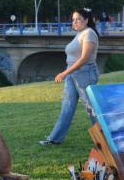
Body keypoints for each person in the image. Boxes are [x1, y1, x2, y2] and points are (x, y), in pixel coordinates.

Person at [39, 9, 100, 146]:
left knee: (91, 108)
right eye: (73, 19)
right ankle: (54, 139)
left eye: (78, 19)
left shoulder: (89, 33)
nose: (75, 22)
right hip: (73, 73)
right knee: (67, 106)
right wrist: (68, 72)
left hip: (85, 73)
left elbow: (84, 58)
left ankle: (105, 138)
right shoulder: (80, 34)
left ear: (86, 20)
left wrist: (65, 73)